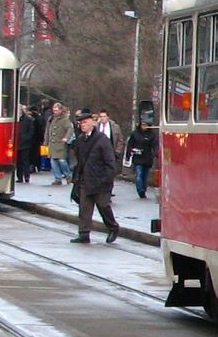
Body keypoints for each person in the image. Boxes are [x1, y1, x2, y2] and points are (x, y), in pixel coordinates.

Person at [70, 109, 119, 244]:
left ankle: (113, 227)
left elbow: (110, 162)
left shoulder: (102, 140)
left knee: (103, 206)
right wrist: (76, 178)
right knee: (84, 209)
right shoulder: (80, 140)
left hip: (101, 181)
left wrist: (107, 180)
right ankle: (84, 234)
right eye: (81, 123)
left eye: (85, 122)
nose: (83, 125)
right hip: (85, 180)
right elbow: (80, 160)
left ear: (92, 122)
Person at [125, 118, 158, 199]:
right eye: (143, 125)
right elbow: (130, 145)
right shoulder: (135, 134)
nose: (144, 127)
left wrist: (154, 154)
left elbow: (155, 145)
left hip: (147, 157)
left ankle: (143, 188)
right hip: (137, 157)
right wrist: (128, 155)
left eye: (146, 125)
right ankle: (140, 190)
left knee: (144, 175)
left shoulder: (152, 135)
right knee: (139, 174)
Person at [44, 101, 74, 185]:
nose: (55, 112)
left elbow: (70, 129)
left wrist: (66, 138)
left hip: (60, 144)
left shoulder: (65, 119)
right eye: (54, 110)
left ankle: (68, 177)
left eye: (56, 110)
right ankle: (58, 179)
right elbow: (47, 130)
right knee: (53, 161)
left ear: (61, 110)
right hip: (52, 144)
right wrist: (45, 141)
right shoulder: (51, 119)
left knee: (62, 161)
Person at [16, 104, 42, 183]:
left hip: (25, 144)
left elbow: (31, 131)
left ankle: (26, 176)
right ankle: (19, 177)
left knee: (25, 161)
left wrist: (26, 139)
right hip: (17, 144)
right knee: (18, 162)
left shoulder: (29, 120)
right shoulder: (16, 120)